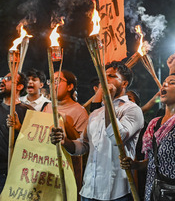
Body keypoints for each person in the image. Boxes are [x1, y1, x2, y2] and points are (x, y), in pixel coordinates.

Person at [50, 61, 144, 201]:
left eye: (111, 76)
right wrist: (65, 141)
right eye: (103, 76)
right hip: (89, 190)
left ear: (124, 84)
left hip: (116, 192)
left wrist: (107, 101)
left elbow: (116, 137)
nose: (105, 79)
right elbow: (82, 146)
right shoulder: (95, 113)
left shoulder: (132, 109)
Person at [120, 73, 175, 201]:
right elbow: (153, 161)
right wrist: (135, 165)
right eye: (164, 82)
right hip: (156, 191)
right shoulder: (154, 123)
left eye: (172, 82)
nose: (165, 84)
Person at [44, 70, 88, 199]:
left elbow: (82, 146)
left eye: (57, 81)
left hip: (69, 170)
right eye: (50, 81)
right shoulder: (46, 107)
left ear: (70, 86)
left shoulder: (80, 111)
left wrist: (64, 122)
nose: (52, 84)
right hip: (47, 167)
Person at [0, 72, 33, 192]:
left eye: (8, 79)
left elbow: (35, 143)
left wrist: (20, 128)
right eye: (2, 78)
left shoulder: (28, 111)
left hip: (17, 172)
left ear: (19, 86)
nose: (2, 81)